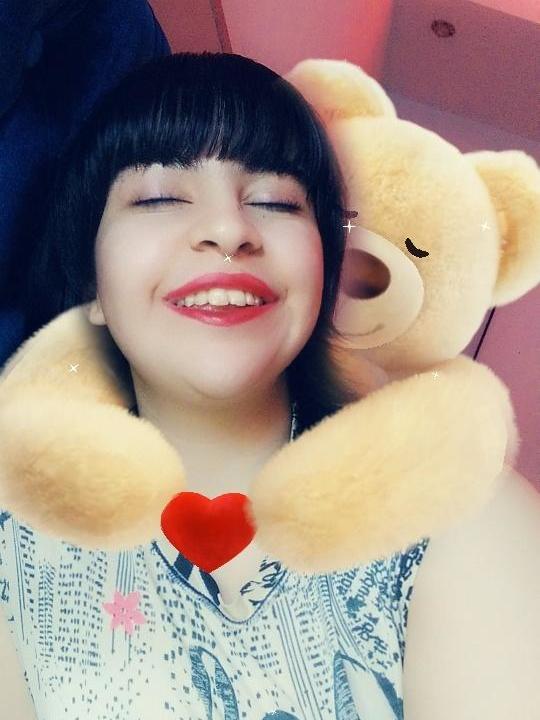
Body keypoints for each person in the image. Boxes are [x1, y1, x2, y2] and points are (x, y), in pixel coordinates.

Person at [0, 51, 430, 719]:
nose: (230, 229)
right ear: (93, 285)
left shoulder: (437, 506)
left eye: (276, 201)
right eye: (160, 197)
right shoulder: (16, 535)